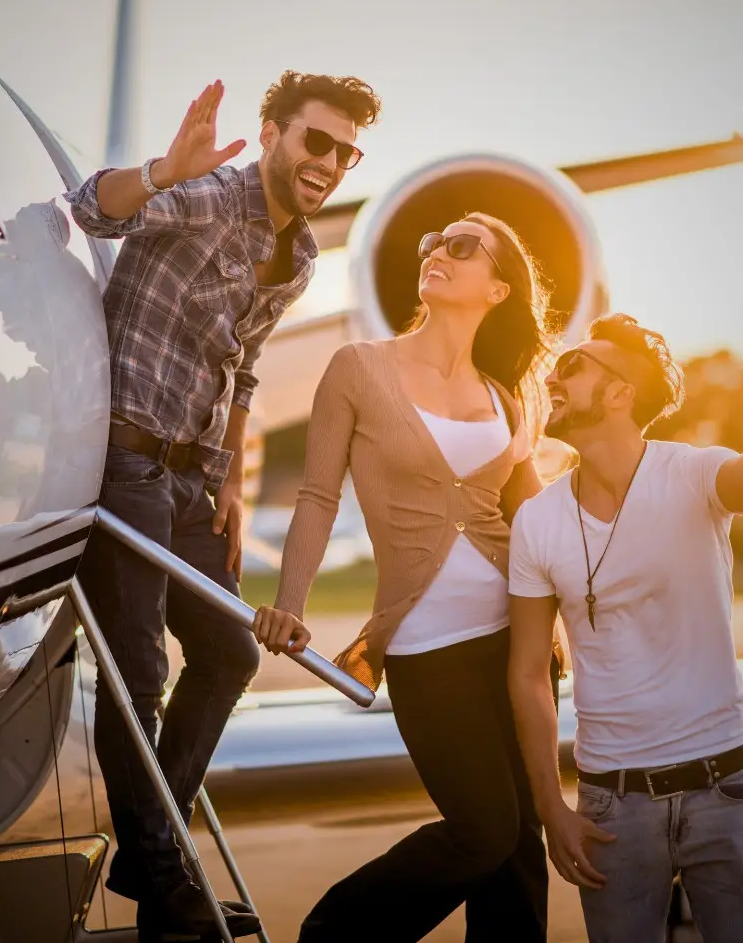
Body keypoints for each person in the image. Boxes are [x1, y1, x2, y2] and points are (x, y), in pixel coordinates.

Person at [67, 70, 381, 939]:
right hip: (125, 463)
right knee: (138, 673)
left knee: (230, 653)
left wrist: (233, 487)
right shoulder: (207, 197)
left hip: (189, 480)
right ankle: (167, 880)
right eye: (315, 140)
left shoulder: (306, 254)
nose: (330, 161)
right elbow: (93, 209)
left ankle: (146, 850)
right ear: (274, 132)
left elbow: (241, 371)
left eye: (347, 151)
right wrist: (165, 169)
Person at [254, 213, 561, 942]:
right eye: (432, 243)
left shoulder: (507, 394)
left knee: (521, 851)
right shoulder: (359, 367)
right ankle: (334, 932)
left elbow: (535, 524)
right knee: (485, 831)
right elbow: (318, 495)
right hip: (428, 650)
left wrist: (582, 616)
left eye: (461, 247)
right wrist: (289, 602)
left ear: (498, 288)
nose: (435, 254)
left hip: (516, 645)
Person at [507, 314, 743, 943]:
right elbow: (530, 671)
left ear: (619, 394)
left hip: (728, 789)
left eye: (575, 365)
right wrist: (550, 806)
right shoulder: (537, 521)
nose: (554, 374)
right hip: (612, 806)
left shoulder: (695, 474)